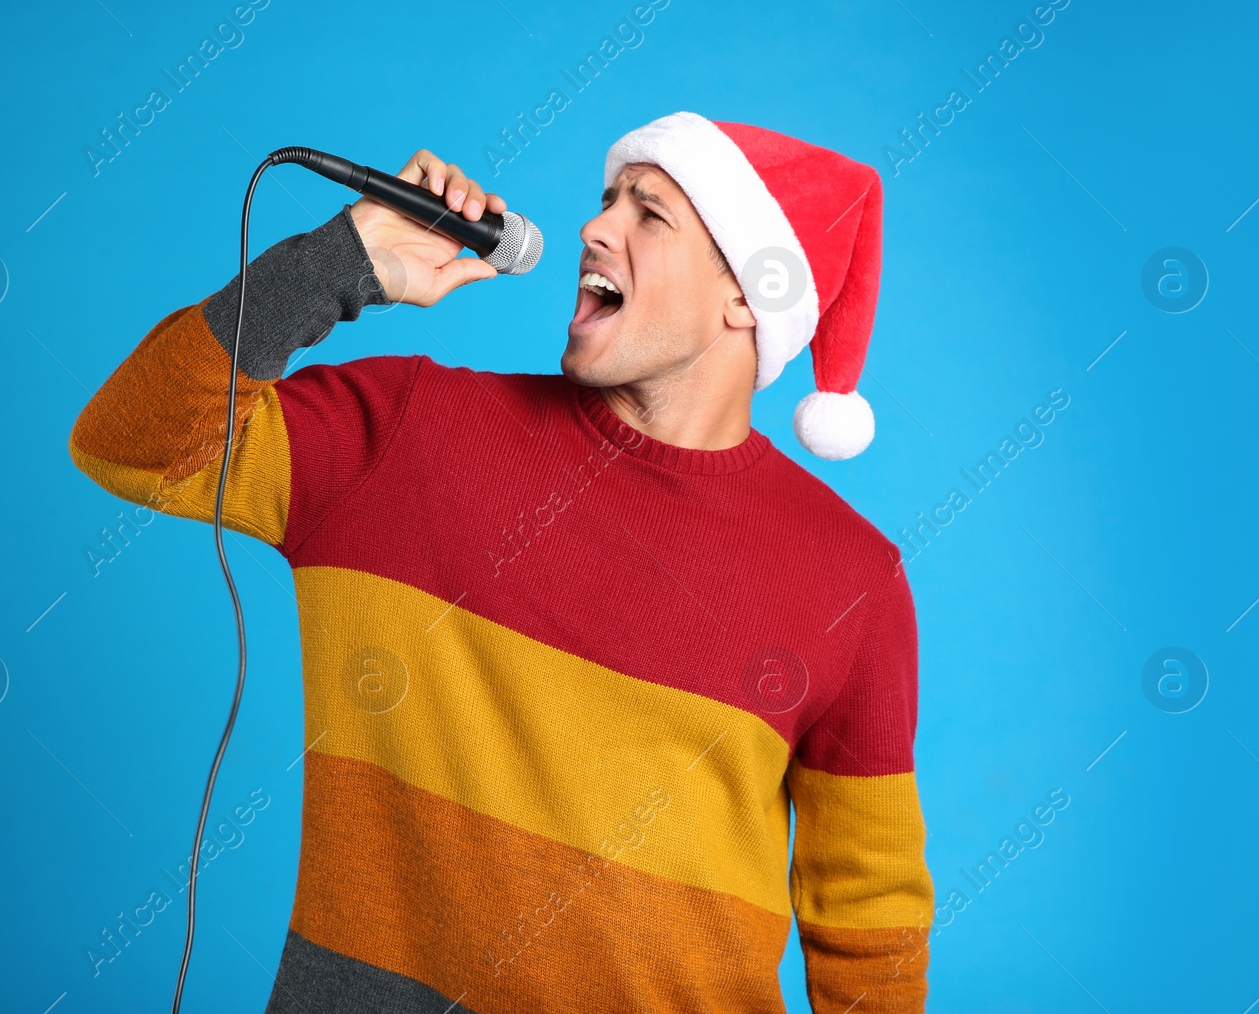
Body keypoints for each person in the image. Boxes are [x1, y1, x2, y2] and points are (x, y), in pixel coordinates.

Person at [69, 110, 934, 1013]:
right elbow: (129, 443)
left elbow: (868, 924)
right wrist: (334, 262)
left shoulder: (852, 579)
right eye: (608, 202)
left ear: (746, 296)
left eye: (651, 213)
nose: (595, 228)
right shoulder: (405, 433)